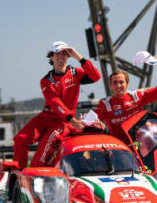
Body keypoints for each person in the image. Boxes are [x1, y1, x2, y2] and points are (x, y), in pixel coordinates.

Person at [13, 41, 101, 169]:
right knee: (20, 138)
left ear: (68, 56)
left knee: (46, 144)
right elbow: (54, 102)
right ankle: (17, 173)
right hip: (48, 117)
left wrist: (79, 57)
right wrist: (71, 118)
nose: (61, 57)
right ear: (51, 57)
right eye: (57, 54)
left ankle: (33, 175)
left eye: (64, 54)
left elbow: (96, 76)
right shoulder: (46, 80)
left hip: (63, 122)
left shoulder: (75, 73)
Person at [94, 56, 157, 144]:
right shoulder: (105, 104)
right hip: (121, 148)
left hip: (141, 145)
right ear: (111, 85)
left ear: (127, 84)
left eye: (121, 82)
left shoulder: (137, 96)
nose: (118, 86)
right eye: (115, 83)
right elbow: (89, 122)